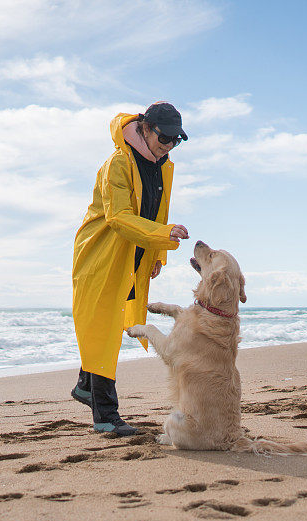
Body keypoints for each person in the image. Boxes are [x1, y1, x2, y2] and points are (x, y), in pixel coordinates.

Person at [71, 102, 189, 434]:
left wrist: (154, 256)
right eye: (164, 138)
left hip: (132, 255)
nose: (168, 146)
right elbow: (119, 217)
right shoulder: (118, 164)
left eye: (175, 141)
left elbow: (155, 212)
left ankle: (84, 385)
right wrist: (163, 237)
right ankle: (105, 417)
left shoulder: (161, 166)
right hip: (100, 255)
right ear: (146, 128)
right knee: (103, 328)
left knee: (107, 327)